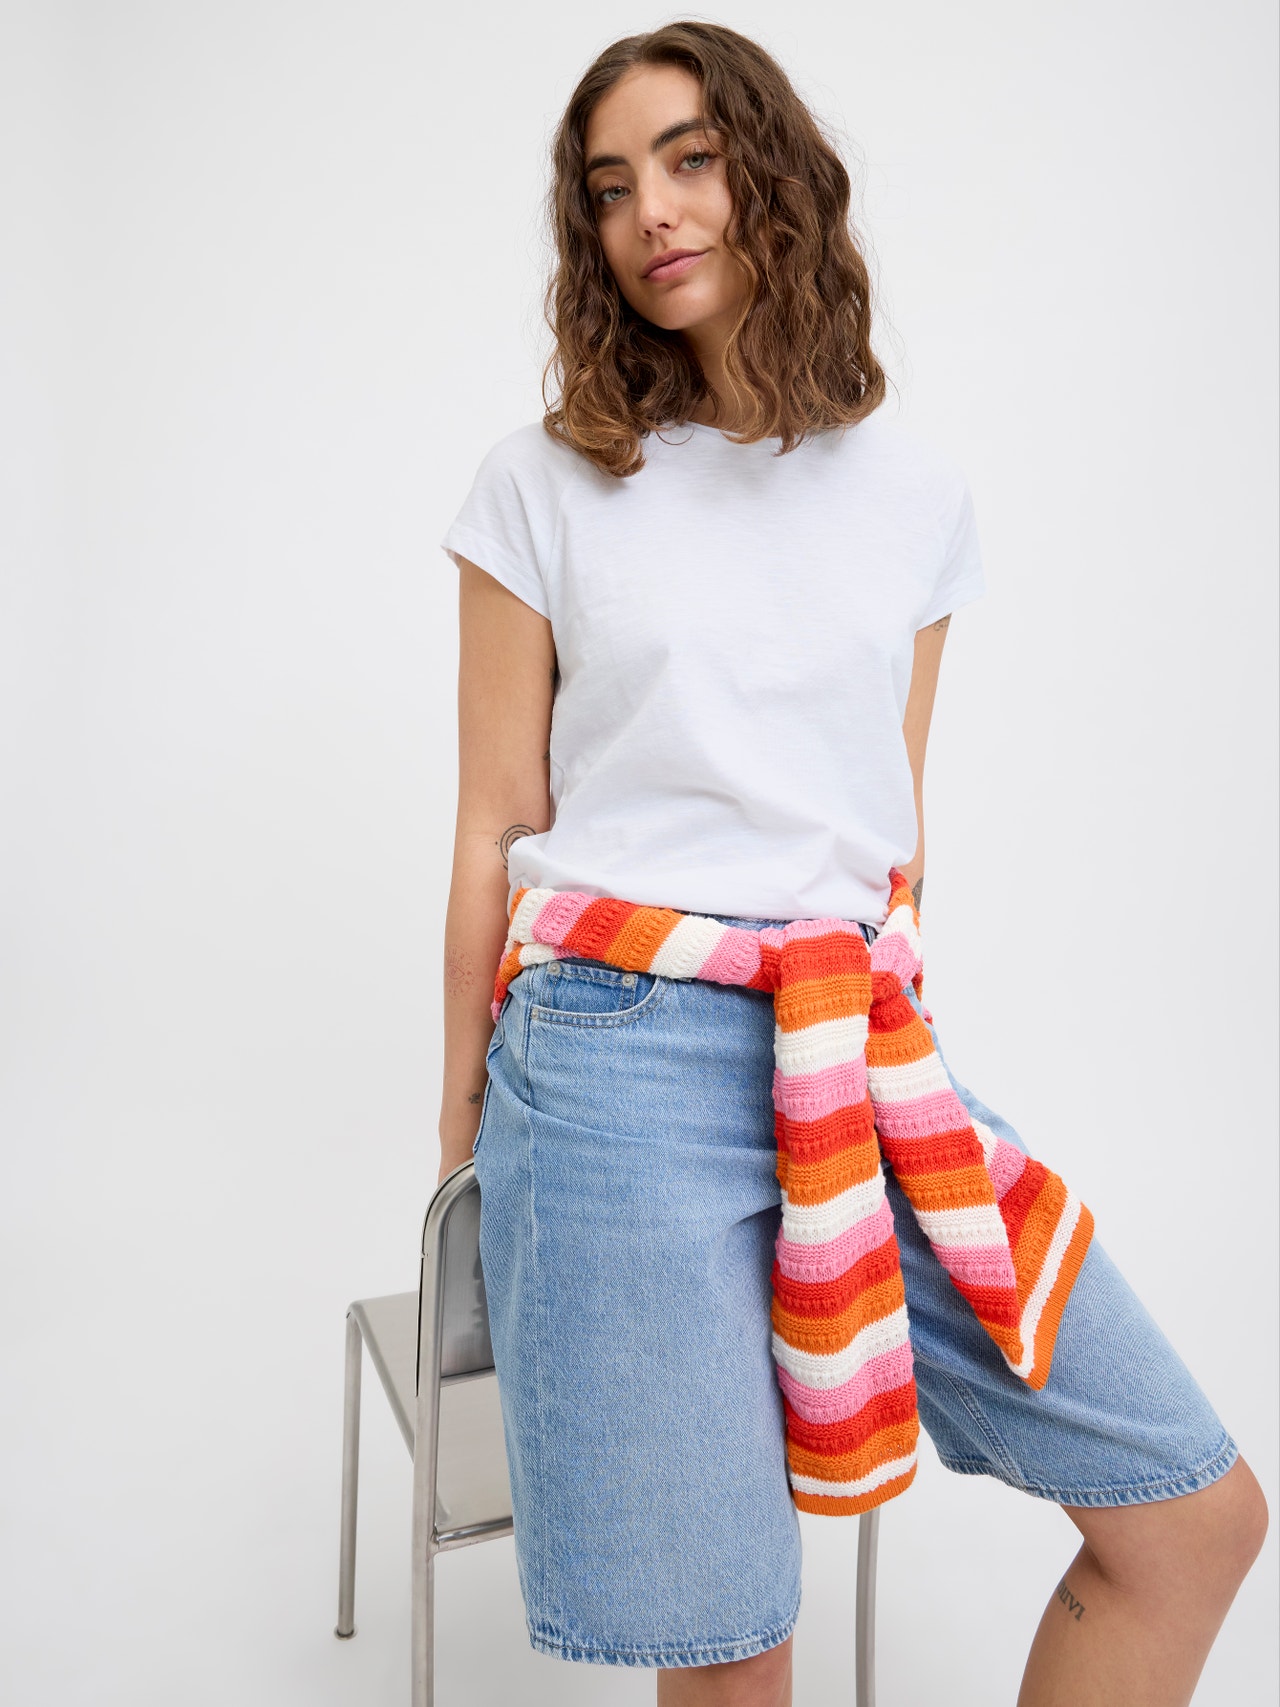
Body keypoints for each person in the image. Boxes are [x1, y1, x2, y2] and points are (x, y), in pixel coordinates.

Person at [437, 21, 1265, 1707]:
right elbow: (491, 824)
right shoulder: (542, 484)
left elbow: (893, 829)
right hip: (610, 1057)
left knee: (1192, 1521)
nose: (653, 213)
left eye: (690, 159)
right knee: (736, 1656)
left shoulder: (915, 498)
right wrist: (461, 1141)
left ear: (775, 174)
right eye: (611, 188)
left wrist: (900, 1057)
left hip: (854, 1052)